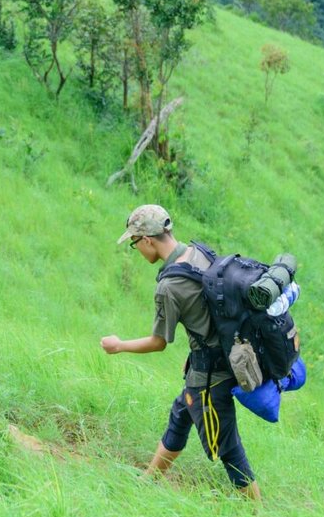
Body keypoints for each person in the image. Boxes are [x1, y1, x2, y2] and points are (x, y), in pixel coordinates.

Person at [99, 204, 261, 499]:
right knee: (181, 413)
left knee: (227, 447)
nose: (136, 249)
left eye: (135, 243)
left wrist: (119, 345)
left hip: (211, 375)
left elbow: (159, 342)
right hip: (224, 357)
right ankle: (148, 482)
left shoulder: (169, 286)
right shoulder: (199, 252)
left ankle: (257, 514)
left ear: (147, 240)